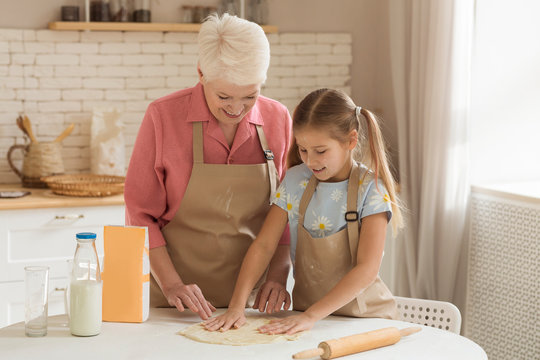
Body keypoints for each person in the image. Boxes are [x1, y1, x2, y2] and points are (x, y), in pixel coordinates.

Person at [124, 13, 293, 321]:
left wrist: (278, 276)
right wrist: (172, 284)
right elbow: (139, 213)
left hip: (252, 305)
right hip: (176, 303)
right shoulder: (162, 117)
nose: (236, 109)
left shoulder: (278, 118)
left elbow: (284, 212)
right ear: (201, 73)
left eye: (250, 96)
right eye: (224, 96)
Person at [204, 88, 403, 334]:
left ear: (351, 141)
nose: (310, 161)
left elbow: (367, 269)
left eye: (320, 151)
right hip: (309, 320)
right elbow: (264, 245)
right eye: (303, 149)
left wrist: (311, 316)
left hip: (364, 322)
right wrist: (236, 307)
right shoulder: (296, 181)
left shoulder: (370, 189)